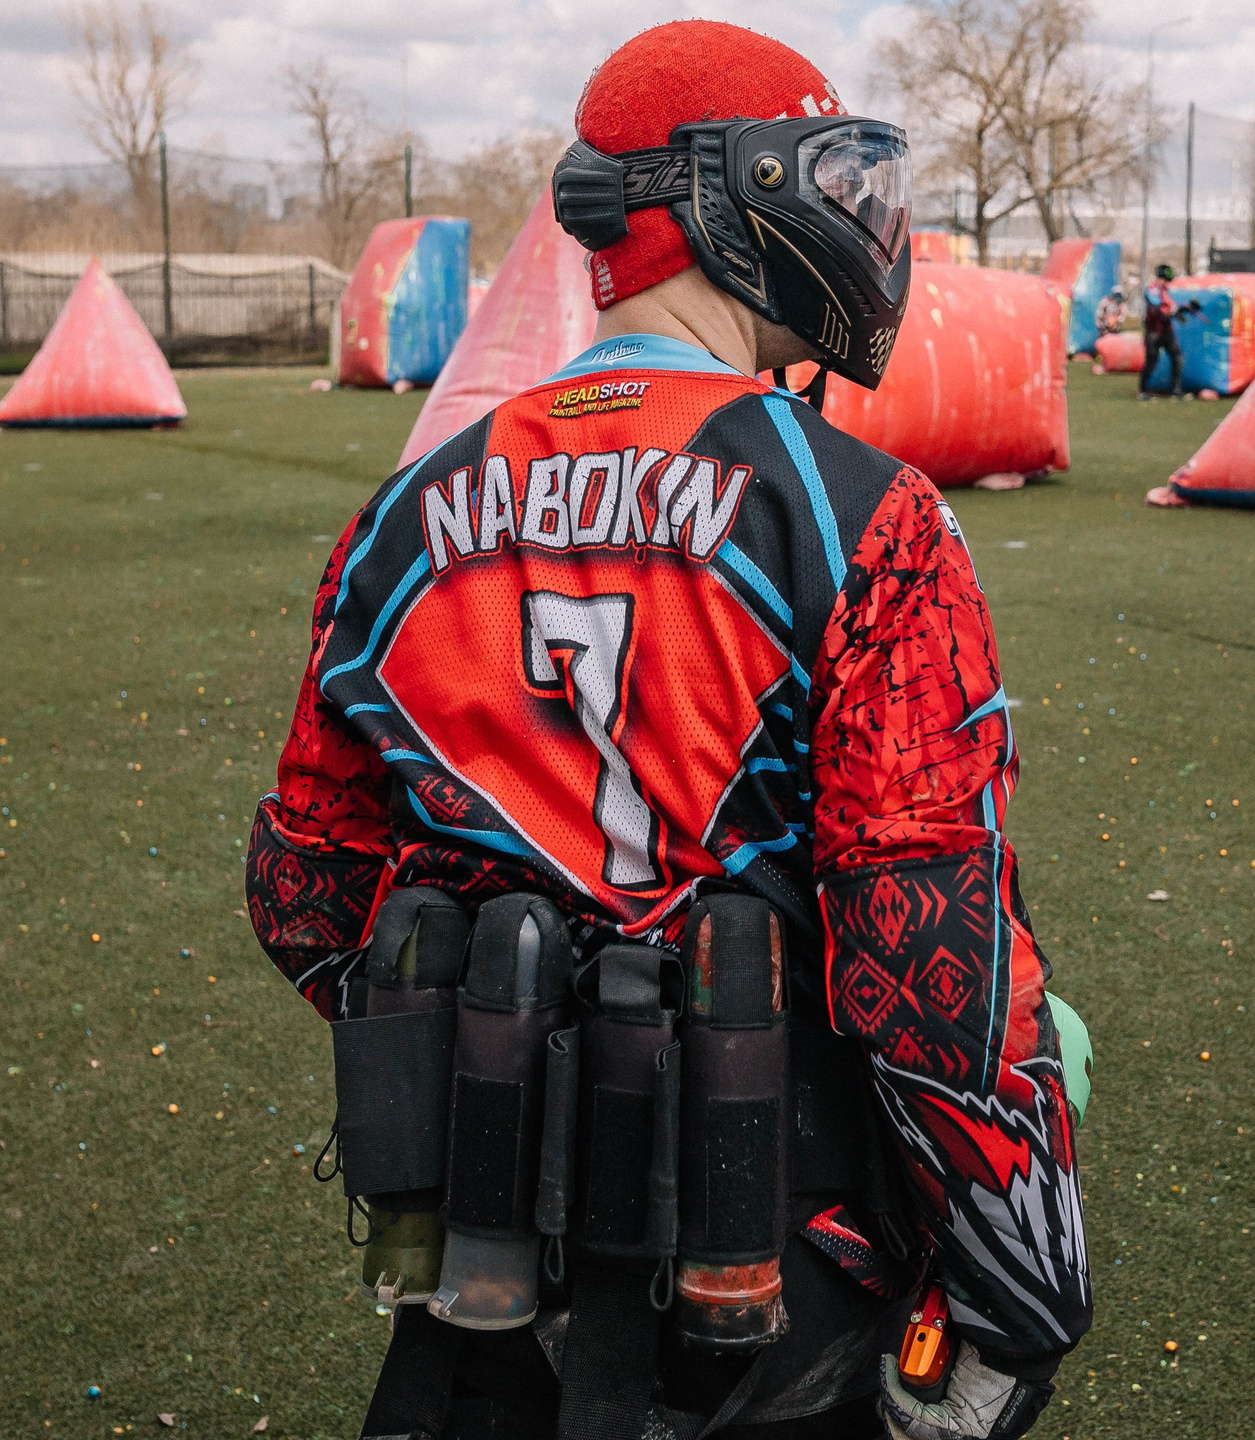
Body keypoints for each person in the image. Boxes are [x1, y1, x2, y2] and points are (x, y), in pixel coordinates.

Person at [245, 20, 1089, 1440]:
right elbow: (926, 966)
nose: (860, 219)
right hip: (775, 1271)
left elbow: (303, 889)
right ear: (729, 197)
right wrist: (1018, 1292)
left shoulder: (405, 512)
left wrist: (508, 1052)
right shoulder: (861, 513)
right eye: (827, 174)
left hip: (484, 1272)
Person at [1138, 264, 1198, 397]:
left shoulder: (1164, 291)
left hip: (1166, 332)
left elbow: (1170, 309)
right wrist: (1176, 311)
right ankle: (1143, 391)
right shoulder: (1152, 290)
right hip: (1154, 332)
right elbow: (1160, 309)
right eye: (1165, 279)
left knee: (1177, 357)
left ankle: (1176, 390)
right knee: (1151, 361)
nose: (1165, 282)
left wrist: (1187, 308)